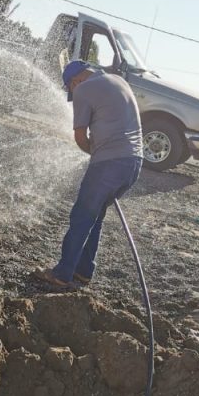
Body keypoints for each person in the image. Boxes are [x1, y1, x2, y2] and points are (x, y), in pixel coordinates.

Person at [36, 60, 143, 288]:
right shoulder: (118, 80)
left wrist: (93, 153)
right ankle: (83, 271)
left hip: (109, 164)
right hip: (134, 164)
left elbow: (80, 137)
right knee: (95, 217)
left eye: (71, 90)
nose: (74, 94)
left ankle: (62, 274)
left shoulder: (84, 89)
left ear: (75, 81)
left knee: (82, 217)